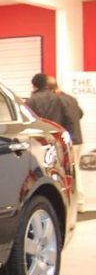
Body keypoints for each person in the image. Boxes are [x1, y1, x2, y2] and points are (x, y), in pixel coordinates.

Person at [47, 75, 85, 212]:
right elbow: (80, 114)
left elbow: (59, 120)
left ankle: (75, 203)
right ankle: (80, 202)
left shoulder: (57, 101)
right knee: (76, 171)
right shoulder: (71, 99)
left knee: (71, 172)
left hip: (69, 140)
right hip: (78, 139)